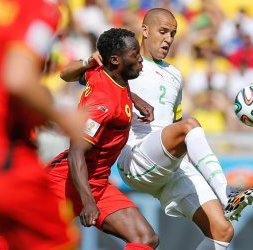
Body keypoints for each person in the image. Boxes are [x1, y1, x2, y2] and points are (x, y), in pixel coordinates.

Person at [61, 8, 253, 250]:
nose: (168, 39)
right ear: (144, 30)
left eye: (173, 34)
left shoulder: (175, 75)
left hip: (169, 161)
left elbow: (172, 123)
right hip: (136, 156)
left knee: (222, 231)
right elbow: (67, 74)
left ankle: (225, 199)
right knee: (189, 125)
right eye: (163, 31)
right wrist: (90, 61)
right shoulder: (123, 60)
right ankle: (227, 193)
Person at [46, 28, 159, 250]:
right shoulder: (103, 104)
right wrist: (87, 202)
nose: (140, 59)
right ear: (116, 60)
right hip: (66, 184)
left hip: (97, 184)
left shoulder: (103, 72)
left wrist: (134, 98)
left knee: (145, 239)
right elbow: (77, 152)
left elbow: (66, 74)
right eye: (135, 55)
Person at [0, 0, 84, 249]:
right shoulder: (39, 8)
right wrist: (62, 118)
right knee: (59, 241)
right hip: (1, 154)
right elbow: (18, 78)